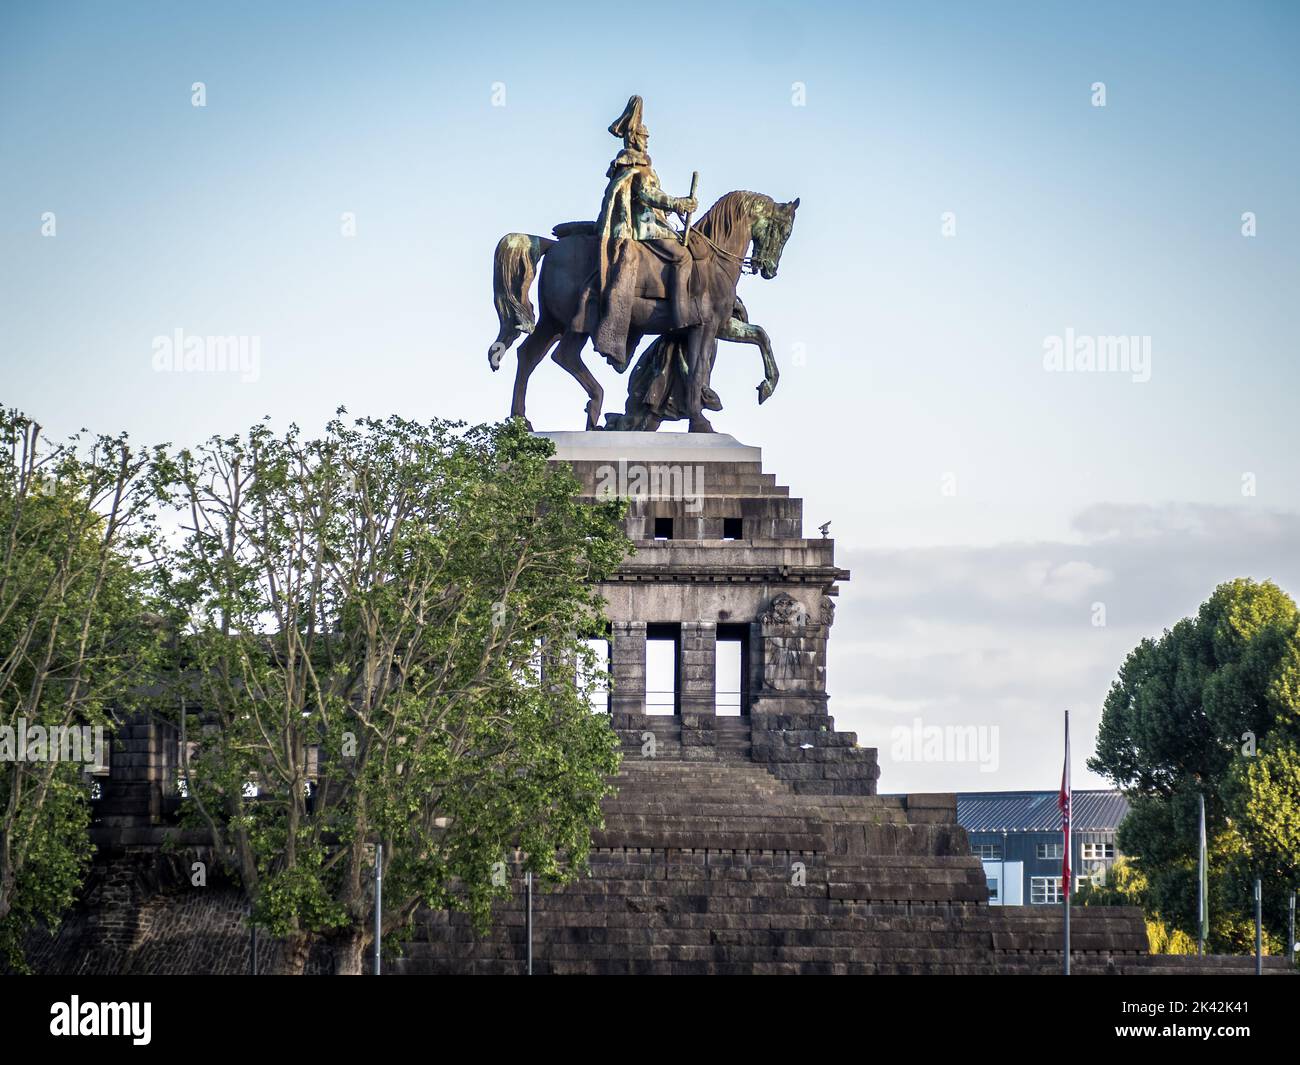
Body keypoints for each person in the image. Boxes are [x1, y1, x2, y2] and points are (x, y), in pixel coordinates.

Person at [592, 96, 697, 364]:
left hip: (654, 222)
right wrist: (678, 203)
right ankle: (681, 314)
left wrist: (674, 208)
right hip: (644, 228)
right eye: (643, 135)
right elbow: (649, 195)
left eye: (647, 136)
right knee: (683, 256)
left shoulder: (638, 163)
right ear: (634, 138)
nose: (647, 140)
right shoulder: (635, 166)